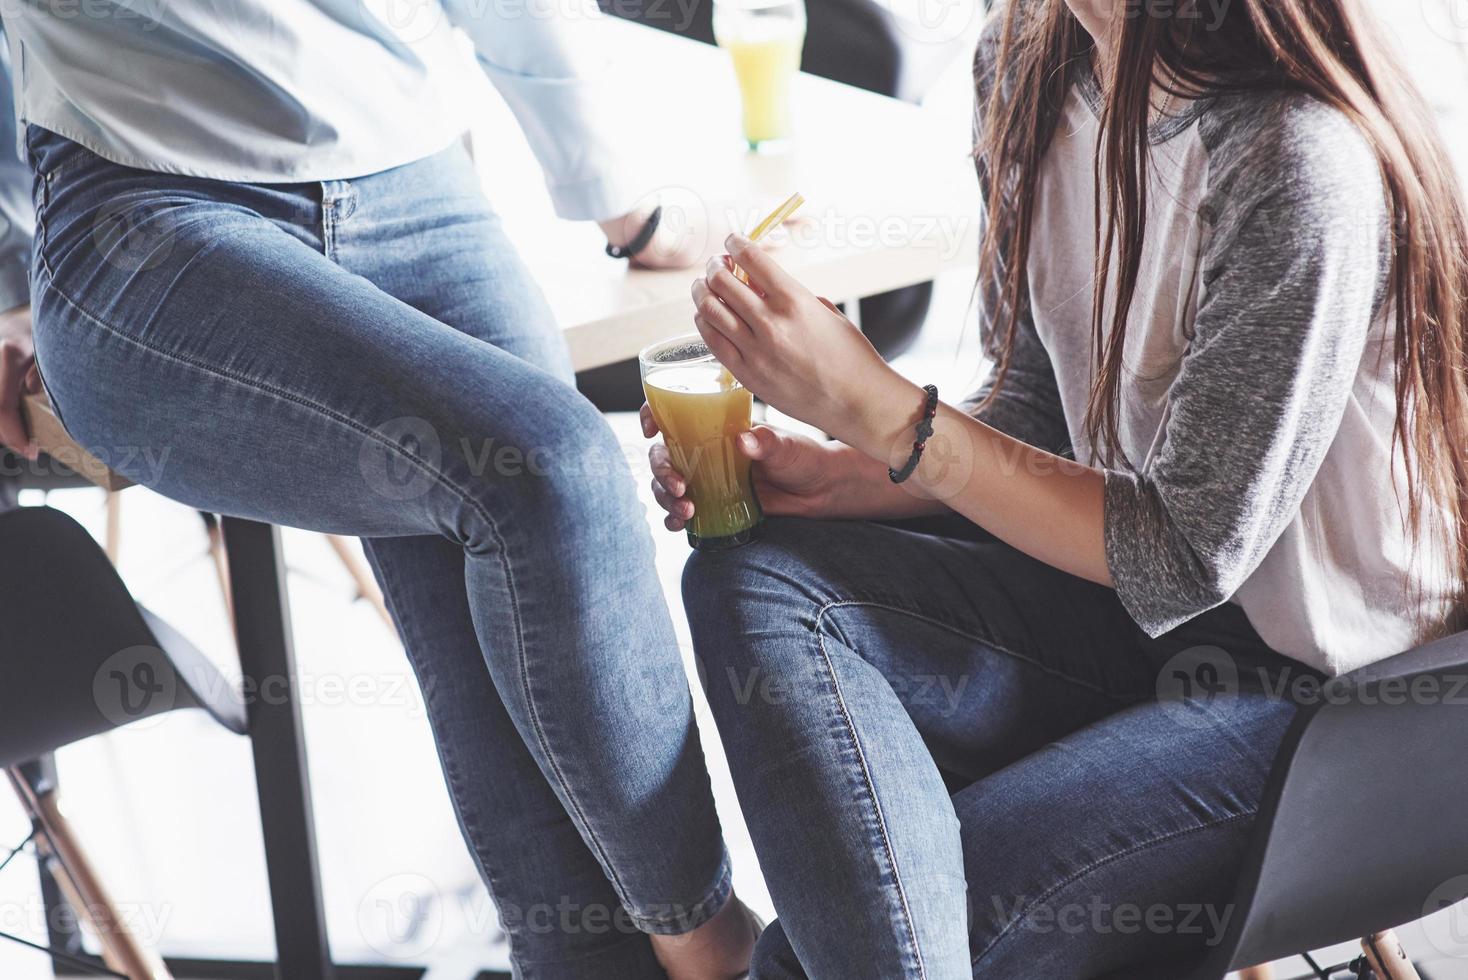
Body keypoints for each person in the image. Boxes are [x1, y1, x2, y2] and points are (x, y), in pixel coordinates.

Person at [647, 0, 1468, 975]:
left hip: (1351, 707)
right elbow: (1036, 407)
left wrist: (879, 409)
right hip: (1132, 616)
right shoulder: (1031, 56)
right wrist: (854, 471)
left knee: (837, 949)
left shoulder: (1293, 154)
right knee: (751, 575)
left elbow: (1181, 554)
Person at [0, 3, 759, 977]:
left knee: (512, 555)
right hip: (144, 204)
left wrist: (619, 197)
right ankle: (719, 946)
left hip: (415, 171)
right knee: (550, 470)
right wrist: (11, 275)